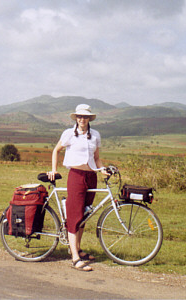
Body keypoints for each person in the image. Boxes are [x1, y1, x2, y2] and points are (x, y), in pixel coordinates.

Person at [48, 104, 109, 272]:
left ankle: (78, 249)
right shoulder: (69, 134)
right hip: (76, 176)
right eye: (80, 117)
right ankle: (74, 257)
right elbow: (56, 150)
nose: (82, 120)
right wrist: (54, 170)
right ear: (76, 118)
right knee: (74, 216)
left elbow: (96, 158)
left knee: (84, 215)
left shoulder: (95, 135)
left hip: (91, 177)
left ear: (90, 118)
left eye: (86, 117)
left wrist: (102, 169)